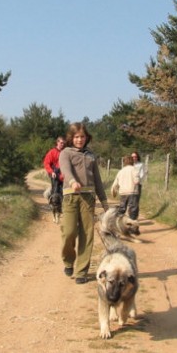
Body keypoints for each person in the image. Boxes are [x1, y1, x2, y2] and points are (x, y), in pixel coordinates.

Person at [58, 122, 109, 284]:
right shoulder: (66, 153)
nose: (80, 140)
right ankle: (68, 260)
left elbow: (98, 180)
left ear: (87, 138)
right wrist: (73, 182)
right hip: (71, 196)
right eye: (77, 137)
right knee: (69, 232)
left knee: (87, 235)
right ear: (71, 138)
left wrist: (104, 201)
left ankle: (81, 271)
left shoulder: (91, 155)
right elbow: (65, 170)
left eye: (82, 137)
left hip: (88, 197)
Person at [111, 155, 140, 220]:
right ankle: (132, 222)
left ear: (124, 162)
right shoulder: (134, 170)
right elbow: (136, 181)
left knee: (122, 208)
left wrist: (113, 191)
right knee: (133, 209)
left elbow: (115, 184)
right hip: (132, 192)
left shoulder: (120, 171)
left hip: (123, 192)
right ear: (132, 162)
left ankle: (119, 221)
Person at [131, 151, 145, 220]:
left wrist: (137, 181)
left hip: (137, 184)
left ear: (137, 157)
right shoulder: (129, 165)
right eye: (132, 157)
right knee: (130, 201)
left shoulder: (141, 164)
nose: (134, 158)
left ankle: (135, 217)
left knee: (136, 201)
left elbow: (142, 174)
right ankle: (130, 216)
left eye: (135, 157)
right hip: (130, 185)